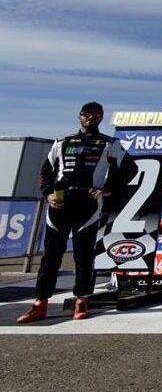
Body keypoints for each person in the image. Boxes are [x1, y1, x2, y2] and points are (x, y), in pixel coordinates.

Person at [18, 102, 136, 323]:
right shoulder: (62, 142)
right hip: (59, 203)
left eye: (95, 115)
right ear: (79, 116)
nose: (90, 118)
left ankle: (82, 300)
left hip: (87, 204)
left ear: (101, 118)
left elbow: (130, 169)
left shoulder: (109, 143)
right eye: (86, 114)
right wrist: (48, 193)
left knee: (84, 255)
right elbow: (46, 171)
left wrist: (107, 189)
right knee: (51, 256)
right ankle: (40, 302)